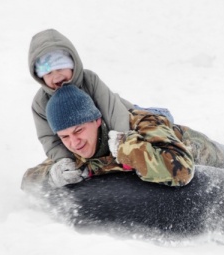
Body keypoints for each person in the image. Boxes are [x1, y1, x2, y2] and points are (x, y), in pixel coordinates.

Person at [21, 71, 224, 192]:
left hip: (204, 156)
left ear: (97, 120)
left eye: (79, 131)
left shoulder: (139, 123)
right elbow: (28, 181)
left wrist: (126, 149)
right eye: (64, 137)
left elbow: (179, 170)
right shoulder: (73, 150)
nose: (74, 142)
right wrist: (51, 175)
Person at [28, 28, 174, 188]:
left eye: (60, 68)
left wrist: (123, 142)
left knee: (146, 120)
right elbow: (49, 138)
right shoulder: (41, 102)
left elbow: (113, 110)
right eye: (48, 73)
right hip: (88, 139)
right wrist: (64, 161)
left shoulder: (89, 80)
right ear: (39, 77)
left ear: (73, 65)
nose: (56, 77)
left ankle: (159, 115)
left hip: (120, 115)